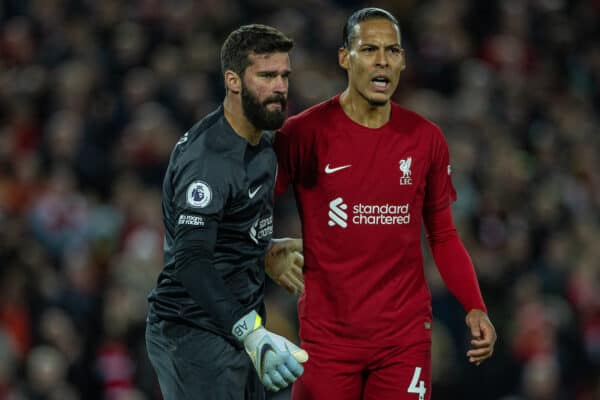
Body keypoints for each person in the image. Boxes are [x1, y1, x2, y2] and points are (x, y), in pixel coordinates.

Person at [273, 8, 497, 400]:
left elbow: (442, 234)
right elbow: (250, 207)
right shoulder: (303, 134)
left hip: (403, 338)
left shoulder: (425, 139)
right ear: (345, 57)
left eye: (392, 50)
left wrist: (474, 306)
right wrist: (265, 249)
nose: (382, 60)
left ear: (403, 60)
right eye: (369, 49)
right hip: (328, 339)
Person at [145, 24, 307, 400]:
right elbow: (191, 260)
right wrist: (249, 332)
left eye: (284, 75)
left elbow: (230, 232)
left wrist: (263, 250)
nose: (280, 87)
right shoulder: (207, 162)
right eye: (267, 75)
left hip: (242, 327)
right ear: (233, 81)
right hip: (192, 334)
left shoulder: (262, 146)